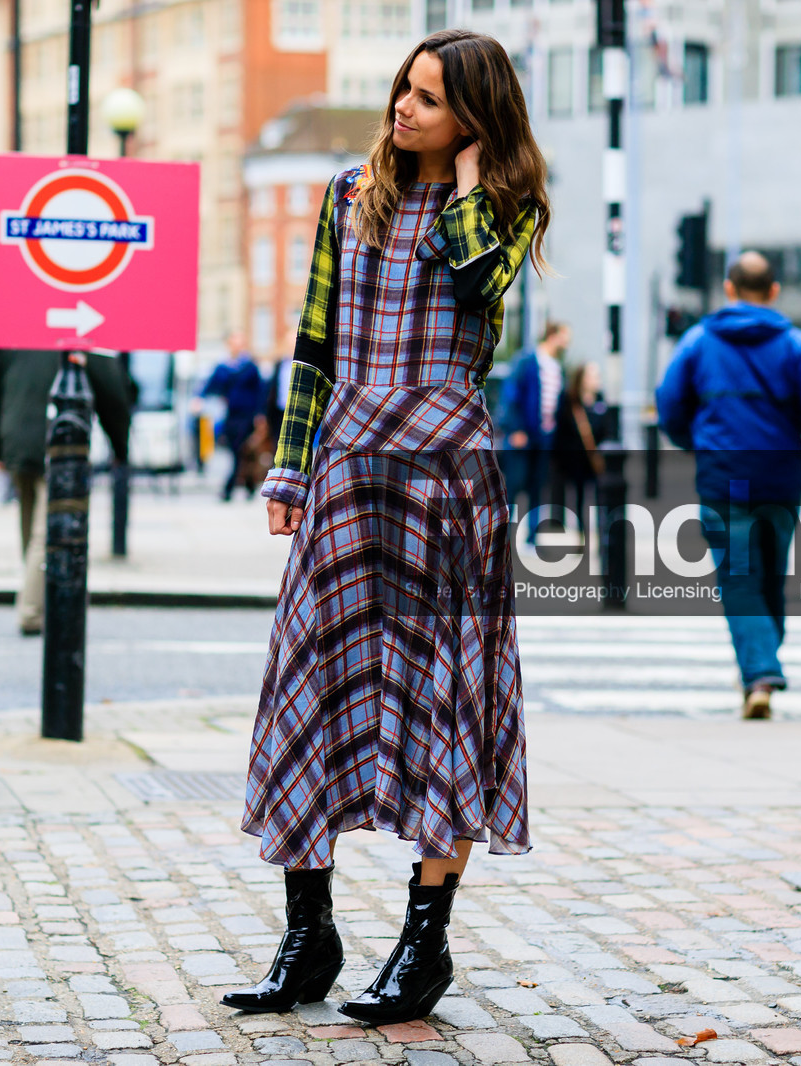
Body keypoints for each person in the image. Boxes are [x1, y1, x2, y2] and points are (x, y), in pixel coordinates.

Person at [227, 29, 548, 1026]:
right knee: (311, 686)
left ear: (473, 122)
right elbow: (314, 343)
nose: (404, 109)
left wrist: (461, 181)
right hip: (347, 467)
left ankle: (424, 941)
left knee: (441, 696)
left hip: (445, 478)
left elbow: (471, 287)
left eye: (431, 100)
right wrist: (290, 462)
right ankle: (306, 933)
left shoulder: (500, 208)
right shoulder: (342, 198)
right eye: (403, 90)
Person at [654, 252, 801, 721]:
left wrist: (693, 441)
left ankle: (759, 671)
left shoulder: (698, 342)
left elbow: (669, 402)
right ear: (774, 291)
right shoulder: (795, 345)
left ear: (729, 289)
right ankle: (761, 670)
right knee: (771, 576)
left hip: (724, 476)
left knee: (740, 578)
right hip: (780, 475)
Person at [0, 350, 133, 635]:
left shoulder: (16, 328)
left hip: (14, 437)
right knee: (43, 533)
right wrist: (120, 446)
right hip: (59, 440)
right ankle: (32, 611)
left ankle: (36, 592)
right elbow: (113, 395)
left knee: (29, 526)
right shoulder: (80, 331)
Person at [499, 321, 570, 542]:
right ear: (553, 335)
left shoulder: (557, 367)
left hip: (544, 437)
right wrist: (515, 428)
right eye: (565, 336)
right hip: (523, 436)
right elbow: (511, 394)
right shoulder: (527, 361)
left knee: (537, 487)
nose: (568, 342)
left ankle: (531, 537)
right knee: (513, 486)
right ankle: (503, 538)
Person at [199, 334, 265, 501]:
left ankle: (228, 489)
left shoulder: (250, 366)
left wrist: (259, 415)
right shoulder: (223, 367)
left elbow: (259, 393)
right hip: (230, 416)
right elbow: (211, 386)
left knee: (239, 450)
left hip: (246, 416)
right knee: (237, 451)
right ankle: (249, 484)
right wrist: (200, 399)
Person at [550, 361, 609, 536]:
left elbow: (607, 430)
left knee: (601, 497)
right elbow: (561, 431)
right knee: (578, 497)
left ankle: (602, 534)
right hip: (575, 460)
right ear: (582, 378)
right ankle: (581, 533)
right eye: (593, 376)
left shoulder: (600, 400)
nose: (597, 380)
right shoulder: (569, 400)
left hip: (595, 459)